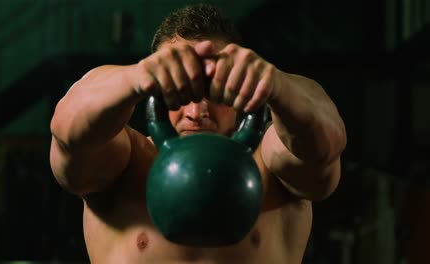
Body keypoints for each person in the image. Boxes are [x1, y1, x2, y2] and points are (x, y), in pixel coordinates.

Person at [49, 3, 347, 263]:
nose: (197, 111)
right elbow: (68, 131)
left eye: (214, 91)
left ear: (239, 91)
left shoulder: (270, 163)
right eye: (178, 91)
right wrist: (136, 76)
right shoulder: (121, 164)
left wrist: (277, 85)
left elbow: (327, 144)